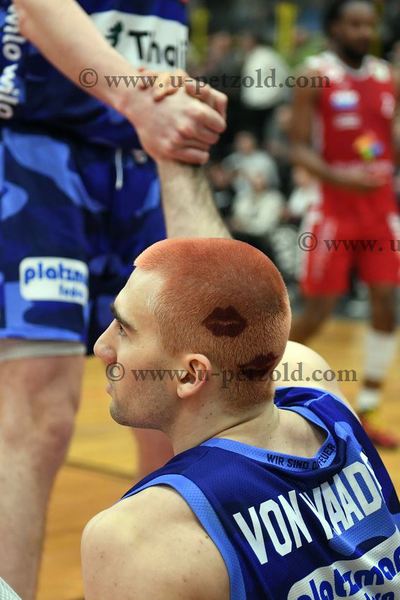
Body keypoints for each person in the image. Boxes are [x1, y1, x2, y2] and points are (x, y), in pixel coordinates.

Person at [0, 1, 227, 597]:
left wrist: (181, 101)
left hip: (146, 155)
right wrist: (138, 97)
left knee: (178, 402)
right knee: (39, 412)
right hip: (39, 145)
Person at [82, 221, 400, 598]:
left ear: (190, 375)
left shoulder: (139, 538)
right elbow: (235, 297)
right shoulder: (314, 384)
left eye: (123, 329)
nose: (102, 347)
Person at [289, 0, 400, 448]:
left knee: (386, 303)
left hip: (380, 209)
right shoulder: (313, 75)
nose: (363, 32)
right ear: (334, 27)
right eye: (354, 24)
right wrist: (341, 177)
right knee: (318, 310)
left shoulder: (388, 77)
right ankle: (255, 384)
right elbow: (297, 146)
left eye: (369, 24)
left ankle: (368, 409)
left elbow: (390, 140)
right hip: (333, 208)